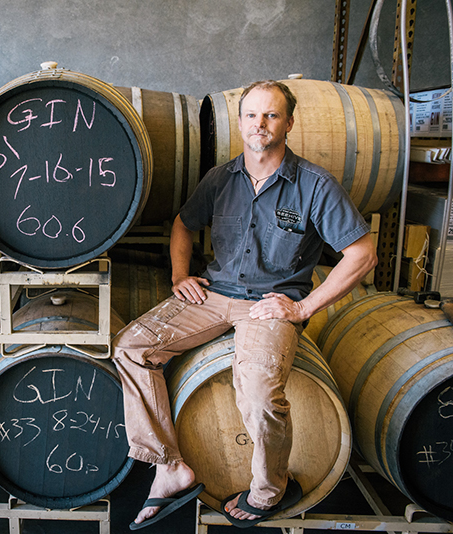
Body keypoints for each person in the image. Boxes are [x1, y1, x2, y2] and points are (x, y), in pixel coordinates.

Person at [112, 80, 378, 530]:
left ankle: (269, 489)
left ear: (288, 123)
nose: (260, 124)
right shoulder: (220, 179)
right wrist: (180, 276)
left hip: (270, 306)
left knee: (257, 388)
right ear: (240, 123)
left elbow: (363, 254)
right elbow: (182, 224)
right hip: (214, 296)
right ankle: (169, 467)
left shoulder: (314, 185)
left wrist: (302, 308)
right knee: (132, 346)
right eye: (252, 115)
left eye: (271, 115)